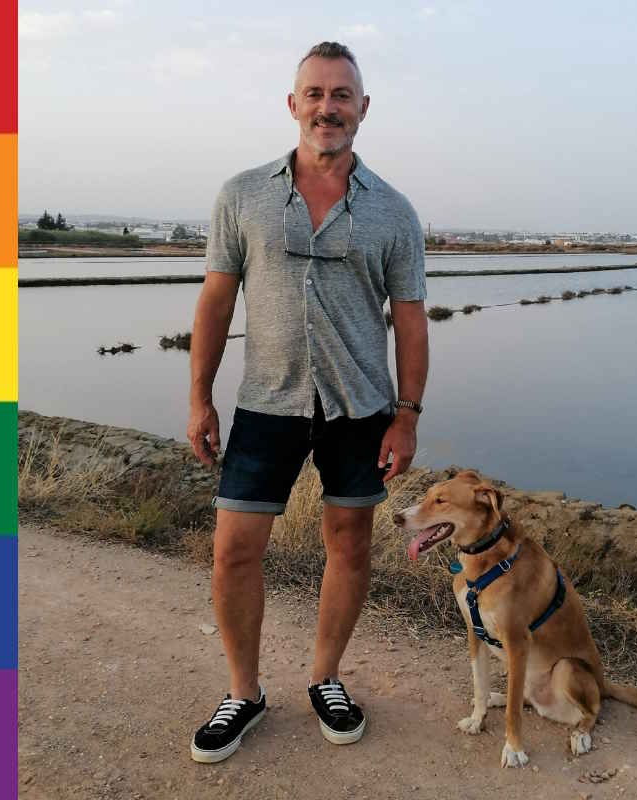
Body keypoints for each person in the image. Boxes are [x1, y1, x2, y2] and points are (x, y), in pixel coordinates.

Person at [186, 41, 429, 764]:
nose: (329, 107)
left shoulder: (394, 211)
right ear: (294, 104)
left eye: (342, 95)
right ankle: (244, 692)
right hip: (267, 401)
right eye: (316, 94)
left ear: (363, 108)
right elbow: (215, 300)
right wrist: (200, 397)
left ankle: (326, 678)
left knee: (349, 545)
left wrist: (407, 415)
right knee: (234, 551)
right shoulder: (242, 196)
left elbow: (411, 320)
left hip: (361, 408)